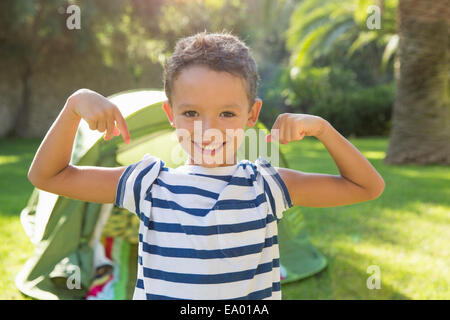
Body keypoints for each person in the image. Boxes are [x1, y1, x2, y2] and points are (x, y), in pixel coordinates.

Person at [27, 31, 385, 300]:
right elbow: (47, 176)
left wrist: (323, 129)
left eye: (227, 113)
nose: (208, 129)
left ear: (252, 115)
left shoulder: (267, 185)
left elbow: (366, 186)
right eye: (191, 113)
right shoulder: (148, 183)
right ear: (171, 115)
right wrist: (75, 105)